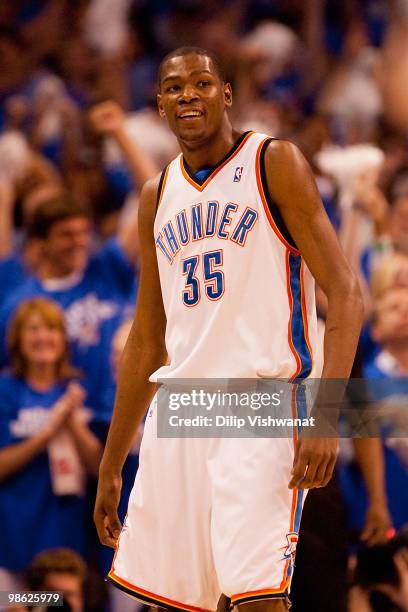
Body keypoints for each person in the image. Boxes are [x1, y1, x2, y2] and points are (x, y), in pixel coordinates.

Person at [94, 46, 363, 612]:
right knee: (181, 600)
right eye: (173, 87)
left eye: (202, 83)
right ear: (160, 105)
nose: (188, 94)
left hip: (261, 403)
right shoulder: (156, 196)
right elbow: (148, 336)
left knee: (257, 594)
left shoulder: (274, 163)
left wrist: (325, 415)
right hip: (182, 411)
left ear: (227, 94)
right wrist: (113, 460)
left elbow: (346, 293)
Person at [0, 297, 102, 589]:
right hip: (11, 539)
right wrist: (46, 433)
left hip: (63, 539)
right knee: (17, 607)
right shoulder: (5, 390)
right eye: (33, 329)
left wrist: (70, 419)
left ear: (63, 338)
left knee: (52, 605)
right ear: (18, 339)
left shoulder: (79, 389)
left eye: (51, 329)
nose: (43, 337)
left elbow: (98, 466)